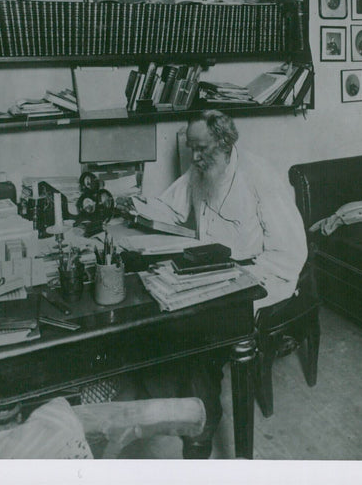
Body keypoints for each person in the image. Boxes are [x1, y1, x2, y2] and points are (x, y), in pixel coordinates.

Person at [130, 110, 308, 459]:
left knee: (203, 325)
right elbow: (171, 208)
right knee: (165, 299)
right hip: (213, 269)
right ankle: (191, 401)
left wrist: (241, 278)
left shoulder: (260, 176)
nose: (194, 157)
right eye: (191, 148)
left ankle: (204, 427)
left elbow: (291, 252)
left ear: (226, 143)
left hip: (262, 274)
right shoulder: (200, 171)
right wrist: (132, 207)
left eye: (202, 148)